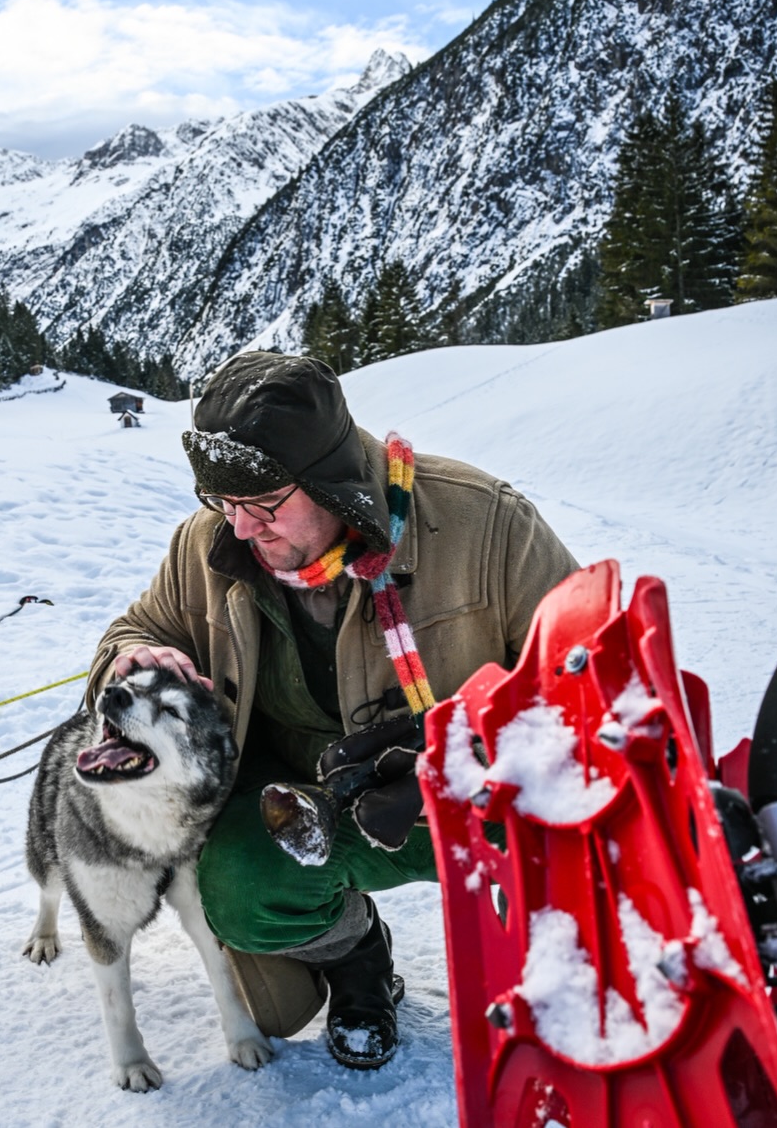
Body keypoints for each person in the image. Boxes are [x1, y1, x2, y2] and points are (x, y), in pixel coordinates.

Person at [86, 352, 578, 1069]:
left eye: (266, 506)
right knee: (249, 913)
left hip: (475, 804)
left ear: (332, 481)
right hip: (301, 809)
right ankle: (356, 954)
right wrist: (131, 661)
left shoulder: (482, 524)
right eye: (224, 504)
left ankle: (553, 980)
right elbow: (134, 629)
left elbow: (588, 686)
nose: (244, 529)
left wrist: (464, 762)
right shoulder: (210, 544)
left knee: (576, 903)